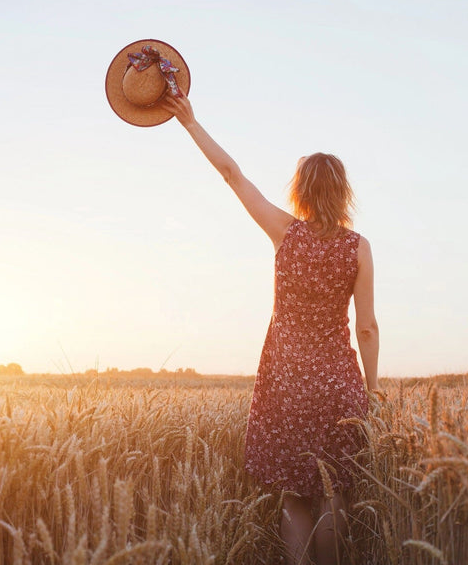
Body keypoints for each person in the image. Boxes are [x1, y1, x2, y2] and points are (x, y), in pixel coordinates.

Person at [162, 92, 379, 565]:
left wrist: (191, 123)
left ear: (300, 191)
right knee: (333, 492)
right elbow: (366, 328)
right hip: (338, 384)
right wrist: (373, 389)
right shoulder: (358, 248)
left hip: (286, 384)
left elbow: (232, 174)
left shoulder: (284, 231)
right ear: (343, 193)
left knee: (294, 496)